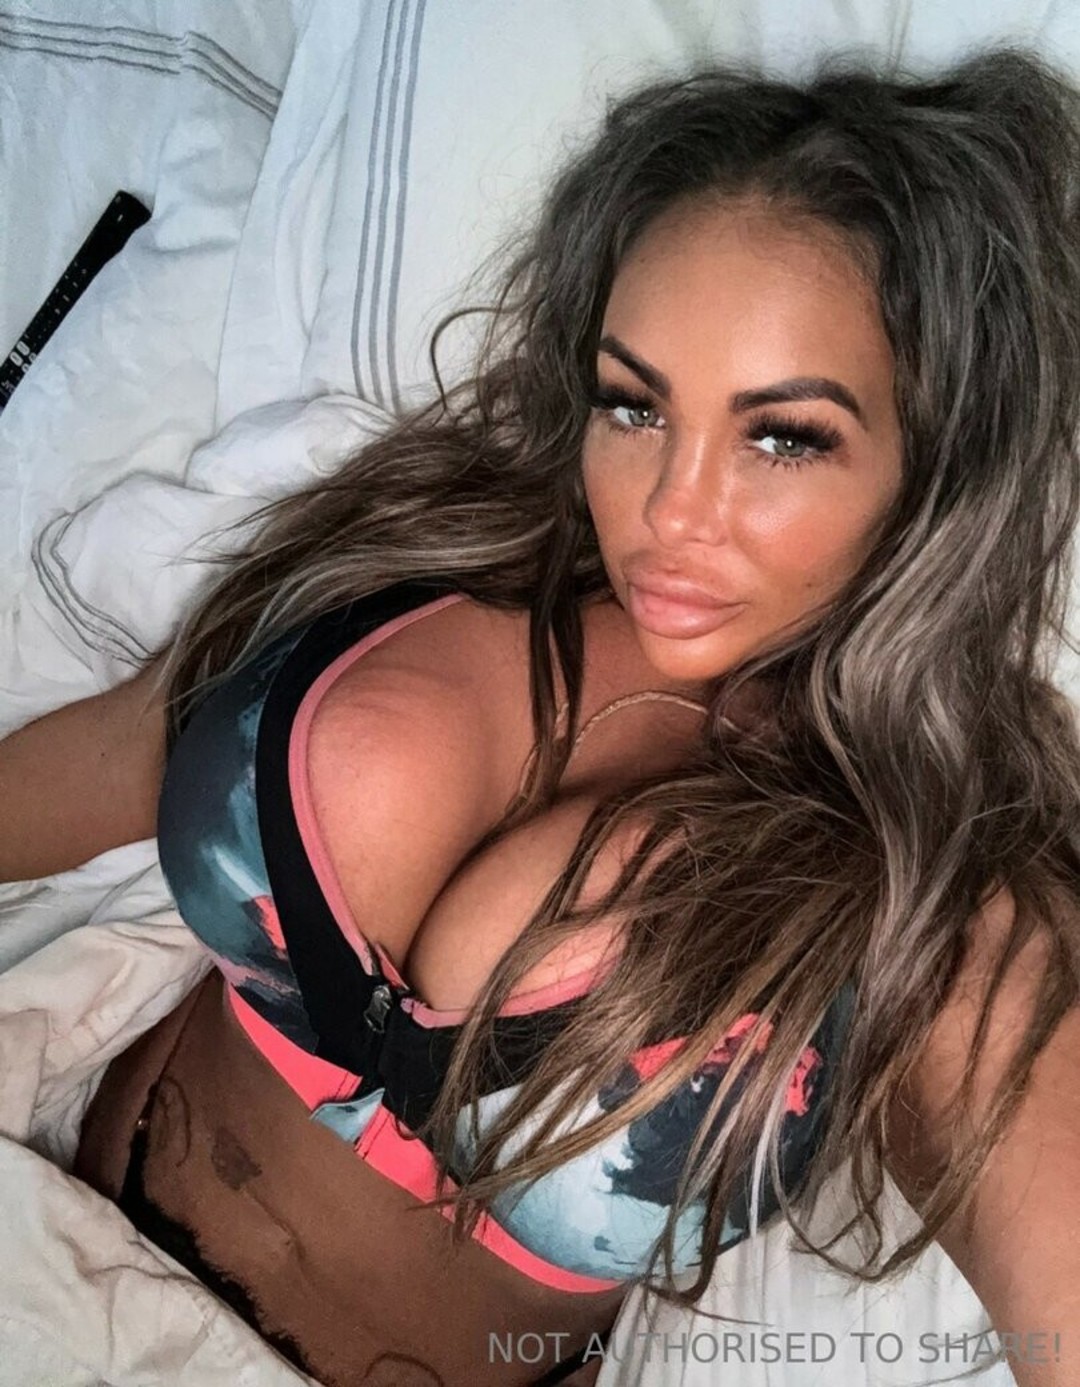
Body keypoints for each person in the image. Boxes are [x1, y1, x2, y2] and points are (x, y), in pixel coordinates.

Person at [1, 42, 1079, 1387]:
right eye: (635, 406)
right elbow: (100, 762)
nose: (671, 510)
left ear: (936, 465)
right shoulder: (408, 555)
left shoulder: (932, 892)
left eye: (782, 436)